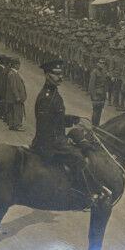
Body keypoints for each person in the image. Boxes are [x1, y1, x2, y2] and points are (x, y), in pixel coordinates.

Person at [31, 60, 102, 205]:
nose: (60, 77)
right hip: (47, 143)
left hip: (54, 139)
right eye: (56, 74)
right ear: (47, 75)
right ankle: (81, 194)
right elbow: (45, 127)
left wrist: (73, 119)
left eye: (61, 74)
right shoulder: (46, 97)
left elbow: (56, 119)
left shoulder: (53, 94)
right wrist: (61, 142)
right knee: (78, 157)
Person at [5, 57, 27, 131]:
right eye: (18, 64)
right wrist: (17, 96)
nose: (19, 66)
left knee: (12, 111)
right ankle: (17, 125)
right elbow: (13, 87)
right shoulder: (12, 74)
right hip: (14, 98)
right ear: (15, 65)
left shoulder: (13, 73)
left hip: (12, 97)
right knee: (17, 111)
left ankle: (12, 125)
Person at [88, 58, 108, 127]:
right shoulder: (94, 72)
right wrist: (93, 96)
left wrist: (106, 94)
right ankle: (93, 126)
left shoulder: (104, 72)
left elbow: (105, 84)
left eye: (103, 63)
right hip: (96, 94)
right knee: (95, 111)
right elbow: (91, 85)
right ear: (98, 64)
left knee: (100, 111)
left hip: (102, 95)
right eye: (100, 63)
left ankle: (97, 125)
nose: (102, 65)